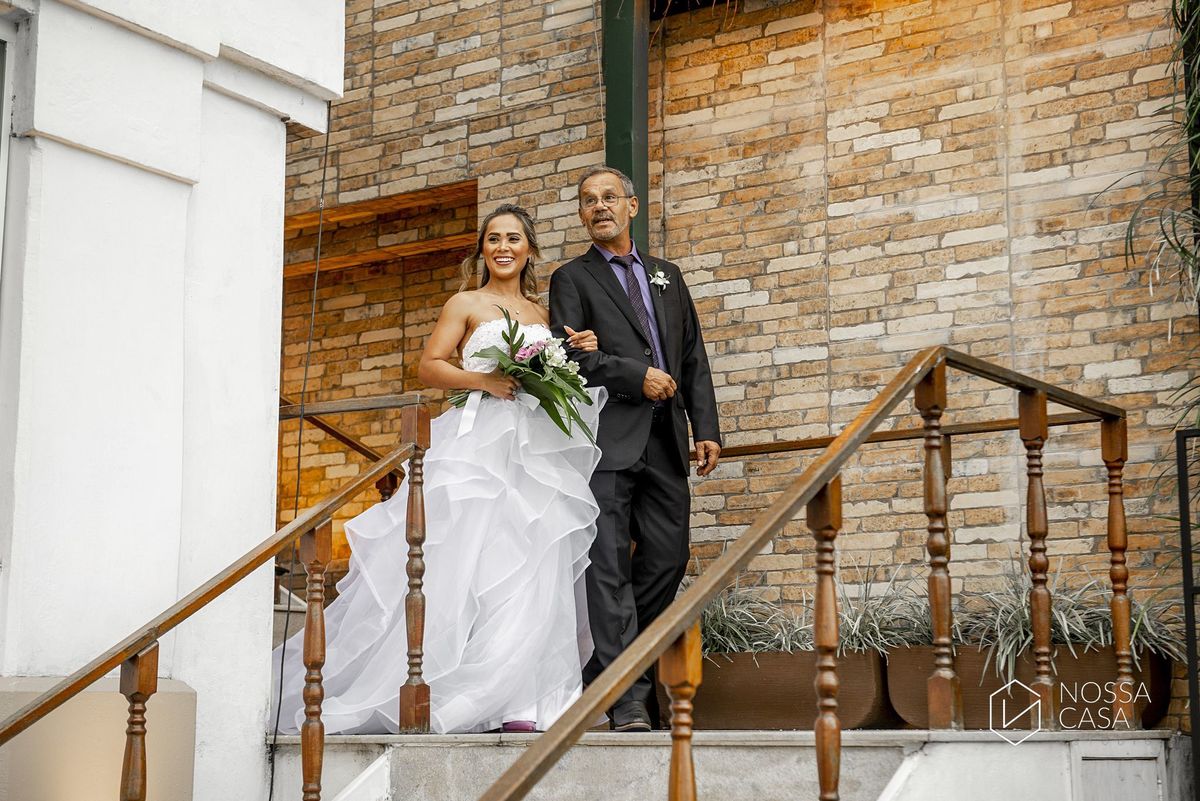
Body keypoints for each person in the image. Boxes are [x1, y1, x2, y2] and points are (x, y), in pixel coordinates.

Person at [272, 204, 606, 734]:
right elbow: (429, 365)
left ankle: (523, 699)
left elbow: (555, 374)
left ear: (530, 250)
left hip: (531, 452)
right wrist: (486, 382)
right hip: (477, 449)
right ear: (482, 249)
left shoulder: (543, 314)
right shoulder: (465, 303)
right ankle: (457, 689)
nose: (503, 246)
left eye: (514, 238)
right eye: (493, 238)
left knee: (530, 564)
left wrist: (575, 350)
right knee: (467, 564)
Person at [548, 166, 722, 732]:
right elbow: (570, 357)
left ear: (632, 206)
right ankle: (627, 697)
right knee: (606, 568)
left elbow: (691, 356)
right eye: (587, 201)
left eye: (608, 198)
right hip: (606, 442)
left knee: (667, 560)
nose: (598, 207)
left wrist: (707, 427)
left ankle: (615, 669)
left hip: (668, 441)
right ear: (582, 215)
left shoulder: (669, 276)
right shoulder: (570, 279)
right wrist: (633, 374)